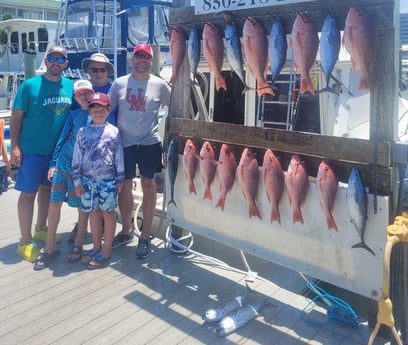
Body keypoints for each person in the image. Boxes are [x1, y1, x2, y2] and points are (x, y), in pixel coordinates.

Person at [108, 43, 171, 258]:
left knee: (149, 185)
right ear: (132, 60)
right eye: (138, 57)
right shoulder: (119, 83)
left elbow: (174, 110)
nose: (141, 60)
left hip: (149, 142)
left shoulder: (160, 85)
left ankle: (145, 236)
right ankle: (126, 230)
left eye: (146, 57)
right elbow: (105, 109)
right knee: (123, 186)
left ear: (151, 61)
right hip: (123, 143)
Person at [10, 46, 72, 262]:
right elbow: (16, 117)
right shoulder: (29, 85)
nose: (56, 62)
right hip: (32, 151)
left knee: (47, 190)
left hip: (56, 154)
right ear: (46, 61)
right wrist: (15, 146)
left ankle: (41, 229)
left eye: (61, 59)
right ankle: (25, 242)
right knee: (28, 194)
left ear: (66, 63)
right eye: (52, 58)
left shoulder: (70, 86)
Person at [33, 80, 94, 270]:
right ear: (75, 97)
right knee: (55, 202)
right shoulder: (73, 115)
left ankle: (78, 242)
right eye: (79, 94)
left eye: (87, 93)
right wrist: (53, 164)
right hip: (64, 164)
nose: (83, 97)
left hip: (83, 169)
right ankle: (50, 247)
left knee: (82, 206)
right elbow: (61, 139)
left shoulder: (100, 114)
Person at [71, 92, 124, 269]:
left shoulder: (114, 132)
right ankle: (96, 246)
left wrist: (120, 178)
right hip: (87, 182)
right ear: (89, 111)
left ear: (108, 110)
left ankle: (106, 250)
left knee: (108, 214)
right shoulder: (82, 132)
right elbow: (77, 157)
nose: (98, 112)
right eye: (94, 109)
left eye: (102, 109)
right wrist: (77, 181)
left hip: (108, 181)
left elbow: (119, 157)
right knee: (93, 213)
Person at [68, 53, 116, 243]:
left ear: (107, 71)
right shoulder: (82, 90)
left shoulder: (114, 90)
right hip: (85, 150)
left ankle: (102, 231)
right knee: (85, 193)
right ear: (88, 71)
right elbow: (73, 120)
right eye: (94, 69)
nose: (98, 73)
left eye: (102, 69)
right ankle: (81, 226)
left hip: (107, 150)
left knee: (104, 196)